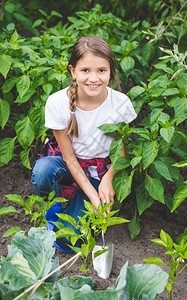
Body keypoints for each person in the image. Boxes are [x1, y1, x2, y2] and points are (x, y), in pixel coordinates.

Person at [31, 36, 137, 252]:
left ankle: (73, 209)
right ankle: (56, 207)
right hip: (69, 166)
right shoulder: (57, 102)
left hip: (100, 170)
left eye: (101, 70)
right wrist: (92, 196)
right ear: (72, 71)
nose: (93, 78)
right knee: (42, 171)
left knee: (68, 242)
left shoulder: (120, 103)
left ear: (110, 72)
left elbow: (121, 152)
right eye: (85, 70)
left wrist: (108, 179)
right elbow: (69, 158)